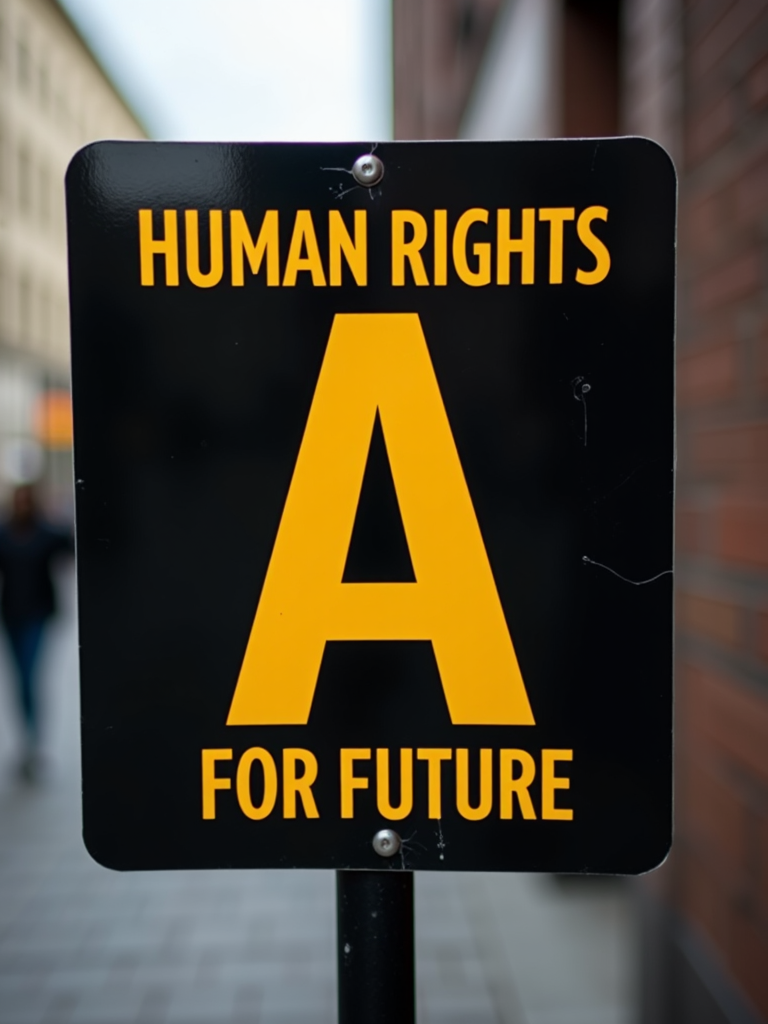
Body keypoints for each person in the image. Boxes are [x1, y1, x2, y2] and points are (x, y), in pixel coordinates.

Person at [0, 484, 73, 781]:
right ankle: (27, 741)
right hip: (11, 616)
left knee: (30, 677)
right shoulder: (5, 533)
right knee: (19, 680)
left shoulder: (46, 533)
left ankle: (33, 742)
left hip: (37, 616)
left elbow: (69, 549)